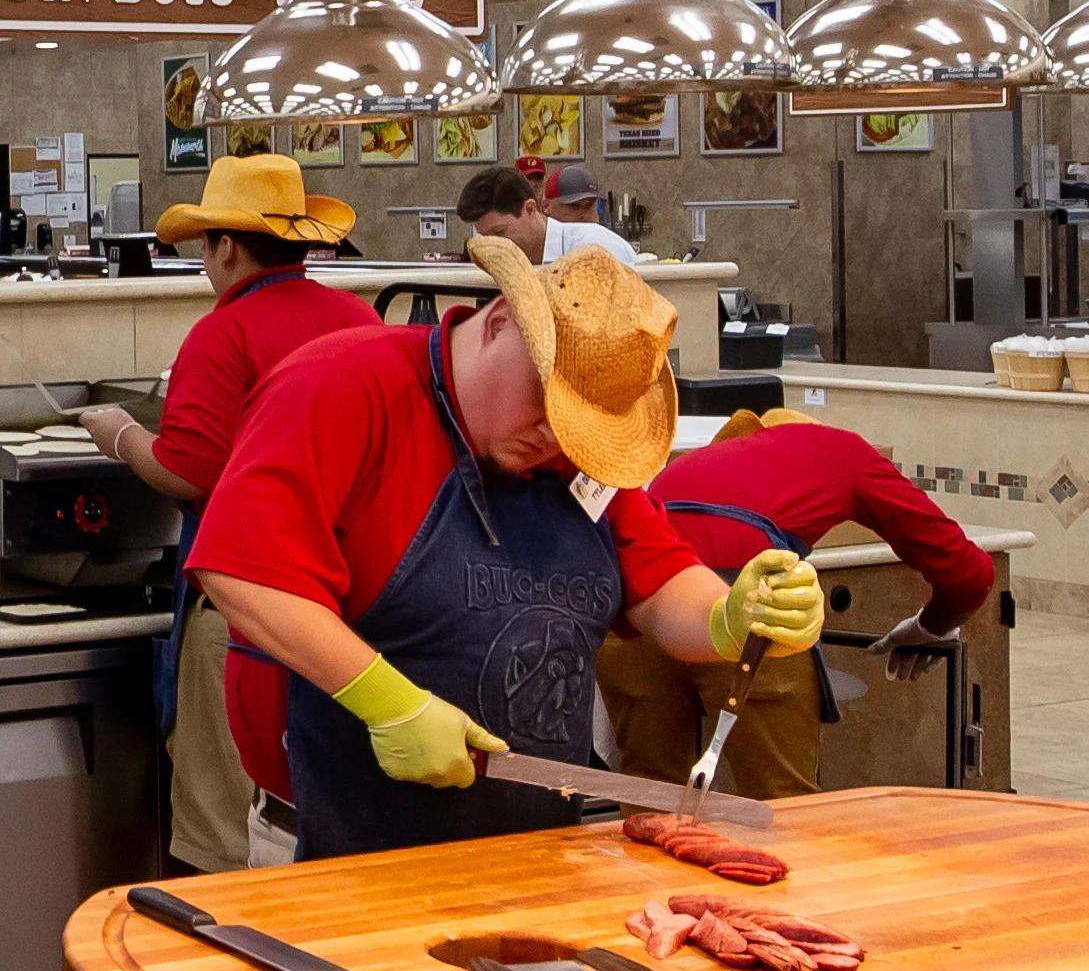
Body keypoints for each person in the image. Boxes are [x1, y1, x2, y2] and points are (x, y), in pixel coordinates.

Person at [189, 236, 821, 860]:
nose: (554, 437)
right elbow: (239, 569)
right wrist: (388, 702)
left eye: (578, 426)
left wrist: (730, 616)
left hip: (541, 860)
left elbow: (658, 587)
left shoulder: (576, 457)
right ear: (497, 324)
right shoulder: (342, 385)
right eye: (546, 401)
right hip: (345, 857)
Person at [83, 154, 377, 880]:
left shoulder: (226, 334)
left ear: (227, 246)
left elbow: (190, 471)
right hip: (351, 610)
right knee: (317, 825)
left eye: (208, 244)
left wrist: (120, 436)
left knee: (225, 842)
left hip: (247, 617)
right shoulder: (361, 318)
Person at [594, 400, 994, 800]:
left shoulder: (703, 458)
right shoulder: (842, 450)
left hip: (637, 617)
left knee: (649, 798)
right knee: (784, 806)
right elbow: (969, 571)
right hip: (745, 613)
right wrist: (930, 626)